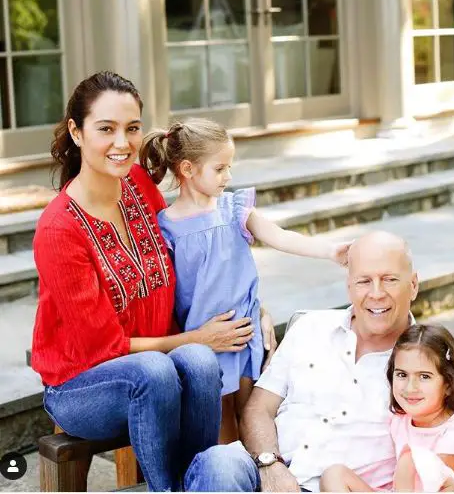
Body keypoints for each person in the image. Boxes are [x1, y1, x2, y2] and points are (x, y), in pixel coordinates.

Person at [31, 71, 274, 492]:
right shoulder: (59, 230)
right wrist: (197, 336)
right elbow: (103, 348)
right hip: (80, 385)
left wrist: (255, 309)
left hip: (160, 366)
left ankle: (201, 480)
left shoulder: (139, 187)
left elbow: (197, 265)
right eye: (106, 129)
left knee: (198, 362)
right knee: (159, 369)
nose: (122, 143)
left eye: (132, 128)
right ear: (76, 131)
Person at [139, 118, 350, 443]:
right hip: (206, 346)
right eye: (220, 168)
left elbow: (279, 236)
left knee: (252, 417)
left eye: (229, 167)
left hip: (246, 334)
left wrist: (331, 250)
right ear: (187, 169)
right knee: (221, 428)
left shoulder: (232, 209)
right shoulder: (165, 228)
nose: (229, 176)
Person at [183, 230, 421, 492]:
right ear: (349, 286)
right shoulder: (310, 328)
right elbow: (258, 409)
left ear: (413, 285)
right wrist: (270, 465)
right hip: (265, 472)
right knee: (219, 462)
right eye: (364, 281)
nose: (376, 293)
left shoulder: (427, 368)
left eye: (389, 280)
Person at [320, 324, 454, 492]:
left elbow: (427, 481)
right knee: (334, 475)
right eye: (402, 375)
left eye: (424, 376)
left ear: (448, 384)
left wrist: (407, 464)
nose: (410, 387)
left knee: (410, 462)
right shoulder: (399, 419)